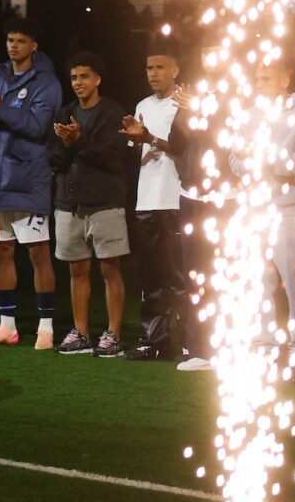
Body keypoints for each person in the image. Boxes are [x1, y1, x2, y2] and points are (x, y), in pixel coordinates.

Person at [229, 60, 295, 382]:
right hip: (254, 209)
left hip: (288, 211)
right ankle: (263, 349)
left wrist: (263, 157)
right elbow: (233, 157)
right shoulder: (248, 114)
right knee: (258, 285)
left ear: (285, 79)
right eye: (257, 78)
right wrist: (251, 164)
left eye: (266, 78)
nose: (259, 83)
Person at [0, 17, 62, 350]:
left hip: (29, 179)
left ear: (34, 46)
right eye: (10, 40)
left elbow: (38, 126)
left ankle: (46, 327)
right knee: (4, 251)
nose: (14, 46)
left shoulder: (47, 82)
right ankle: (7, 326)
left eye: (21, 40)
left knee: (38, 252)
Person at [48, 51, 130, 357]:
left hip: (105, 202)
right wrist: (67, 143)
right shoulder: (65, 112)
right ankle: (80, 333)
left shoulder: (112, 112)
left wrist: (78, 141)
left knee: (110, 269)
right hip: (68, 204)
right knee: (77, 270)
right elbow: (55, 160)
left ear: (98, 79)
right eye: (73, 77)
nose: (78, 82)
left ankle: (113, 335)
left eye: (84, 76)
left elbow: (114, 157)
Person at [118, 45, 188, 361]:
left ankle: (189, 340)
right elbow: (139, 150)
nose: (153, 73)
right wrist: (136, 140)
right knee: (151, 276)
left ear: (175, 70)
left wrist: (147, 137)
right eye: (149, 68)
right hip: (146, 199)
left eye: (160, 67)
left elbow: (184, 147)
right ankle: (155, 340)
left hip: (176, 197)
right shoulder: (143, 105)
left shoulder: (185, 102)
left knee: (179, 276)